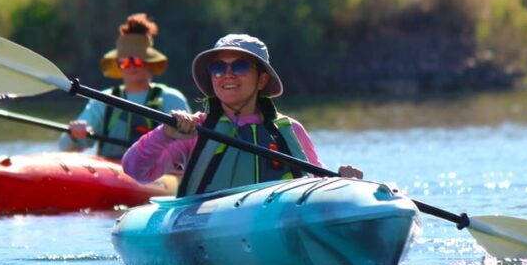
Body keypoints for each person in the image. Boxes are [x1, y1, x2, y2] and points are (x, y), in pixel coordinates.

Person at [122, 33, 363, 197]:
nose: (228, 74)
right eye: (218, 67)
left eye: (240, 66)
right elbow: (135, 171)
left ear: (262, 80)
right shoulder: (194, 131)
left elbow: (318, 185)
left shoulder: (290, 130)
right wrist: (164, 134)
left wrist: (344, 182)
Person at [59, 13, 190, 159]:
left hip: (158, 170)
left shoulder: (171, 99)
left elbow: (191, 146)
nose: (132, 66)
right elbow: (65, 146)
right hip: (110, 169)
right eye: (125, 62)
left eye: (137, 61)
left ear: (149, 63)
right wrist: (74, 135)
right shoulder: (102, 100)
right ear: (119, 65)